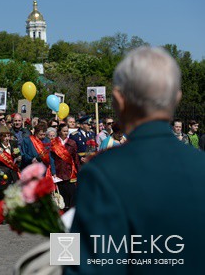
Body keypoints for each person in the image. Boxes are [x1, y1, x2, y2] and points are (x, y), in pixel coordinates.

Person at [68, 47, 205, 274]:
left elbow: (90, 267)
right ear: (177, 98)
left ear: (118, 100)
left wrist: (58, 246)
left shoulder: (102, 173)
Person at [50, 124, 80, 210]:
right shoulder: (53, 143)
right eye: (64, 131)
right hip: (58, 173)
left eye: (67, 131)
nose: (66, 133)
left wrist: (79, 171)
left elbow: (76, 159)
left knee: (72, 196)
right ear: (59, 132)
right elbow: (51, 159)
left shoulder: (72, 143)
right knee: (61, 198)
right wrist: (53, 172)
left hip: (70, 173)